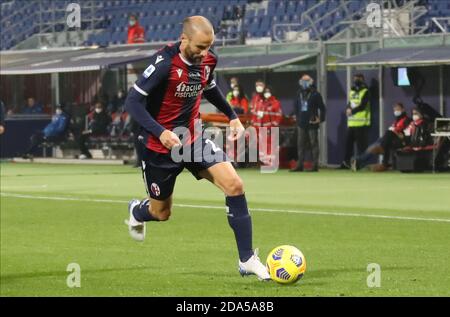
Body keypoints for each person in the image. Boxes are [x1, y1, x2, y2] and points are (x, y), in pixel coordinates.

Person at [124, 16, 269, 280]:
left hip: (193, 140)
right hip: (159, 146)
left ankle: (246, 259)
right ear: (184, 40)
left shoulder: (209, 60)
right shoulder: (164, 64)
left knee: (235, 185)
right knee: (161, 213)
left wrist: (232, 115)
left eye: (209, 47)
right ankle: (137, 210)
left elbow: (210, 89)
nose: (205, 54)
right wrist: (161, 131)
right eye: (200, 47)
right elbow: (132, 102)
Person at [351, 102, 410, 172]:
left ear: (403, 109)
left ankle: (359, 161)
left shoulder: (407, 120)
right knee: (373, 146)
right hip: (388, 139)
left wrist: (398, 134)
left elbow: (405, 133)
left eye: (398, 109)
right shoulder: (396, 120)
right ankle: (359, 162)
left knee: (379, 144)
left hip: (398, 141)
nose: (396, 111)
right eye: (394, 110)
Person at [290, 74, 326, 172]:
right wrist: (296, 118)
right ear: (300, 82)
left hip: (312, 123)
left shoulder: (315, 94)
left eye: (307, 80)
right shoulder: (299, 93)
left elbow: (322, 108)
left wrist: (321, 119)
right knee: (300, 144)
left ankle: (315, 166)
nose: (305, 82)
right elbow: (296, 107)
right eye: (303, 80)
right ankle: (299, 165)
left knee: (313, 144)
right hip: (301, 123)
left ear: (311, 81)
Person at [341, 74, 371, 169]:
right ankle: (346, 163)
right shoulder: (352, 91)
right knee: (348, 145)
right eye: (355, 78)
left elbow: (363, 106)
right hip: (351, 123)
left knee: (361, 146)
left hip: (362, 123)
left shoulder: (366, 91)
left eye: (358, 78)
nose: (356, 80)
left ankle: (361, 164)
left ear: (362, 79)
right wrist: (348, 109)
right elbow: (350, 103)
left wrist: (352, 111)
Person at [250, 86, 282, 166]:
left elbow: (278, 115)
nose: (266, 93)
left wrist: (274, 125)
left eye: (268, 91)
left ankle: (272, 162)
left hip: (271, 128)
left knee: (271, 145)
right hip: (262, 127)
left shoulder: (275, 102)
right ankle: (265, 161)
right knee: (262, 145)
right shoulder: (261, 102)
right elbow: (256, 114)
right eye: (265, 92)